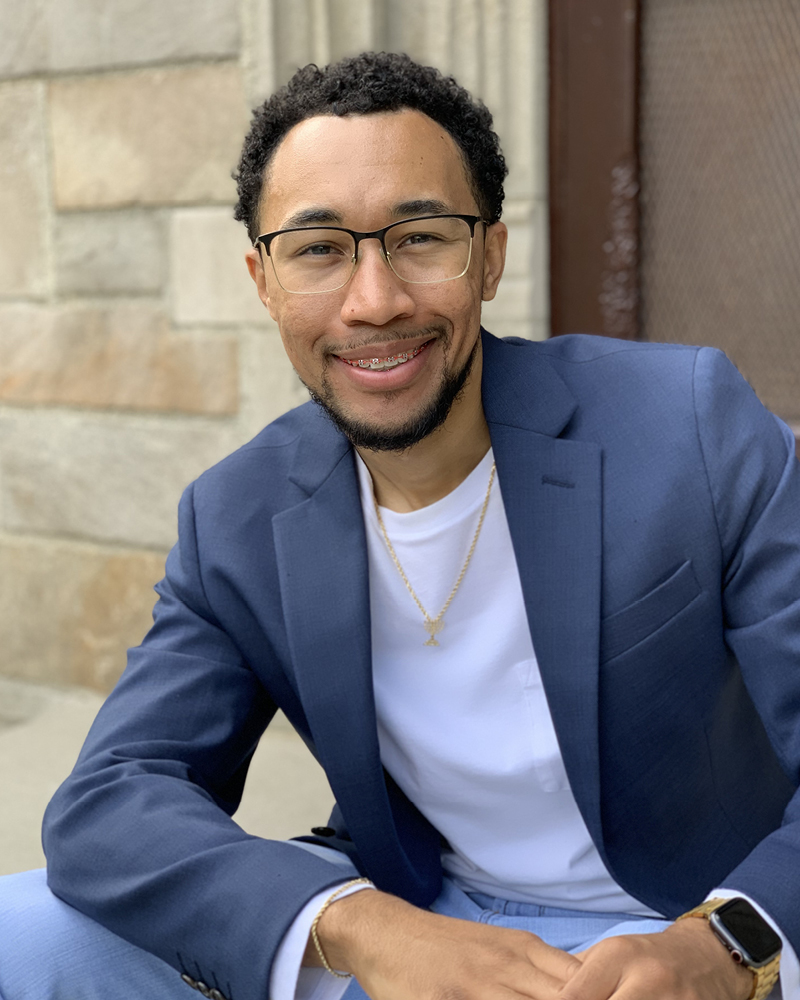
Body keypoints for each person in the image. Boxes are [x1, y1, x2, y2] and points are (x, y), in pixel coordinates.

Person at [0, 51, 797, 1000]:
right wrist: (355, 927)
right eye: (318, 249)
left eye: (419, 237)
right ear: (263, 280)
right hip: (418, 923)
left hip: (685, 925)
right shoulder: (238, 516)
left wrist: (727, 947)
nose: (374, 301)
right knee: (26, 930)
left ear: (490, 255)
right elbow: (111, 799)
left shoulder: (686, 425)